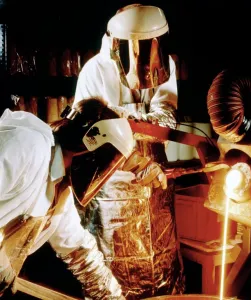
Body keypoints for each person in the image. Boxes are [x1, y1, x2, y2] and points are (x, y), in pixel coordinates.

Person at [0, 97, 167, 299]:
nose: (102, 180)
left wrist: (111, 296)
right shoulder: (27, 147)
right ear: (90, 151)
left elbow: (81, 252)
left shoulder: (58, 191)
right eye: (107, 168)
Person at [74, 4, 185, 299]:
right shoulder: (94, 71)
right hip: (112, 193)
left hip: (155, 191)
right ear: (118, 46)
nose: (147, 62)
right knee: (113, 276)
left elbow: (166, 118)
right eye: (139, 50)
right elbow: (94, 139)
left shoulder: (165, 66)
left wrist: (122, 120)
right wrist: (136, 158)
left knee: (160, 268)